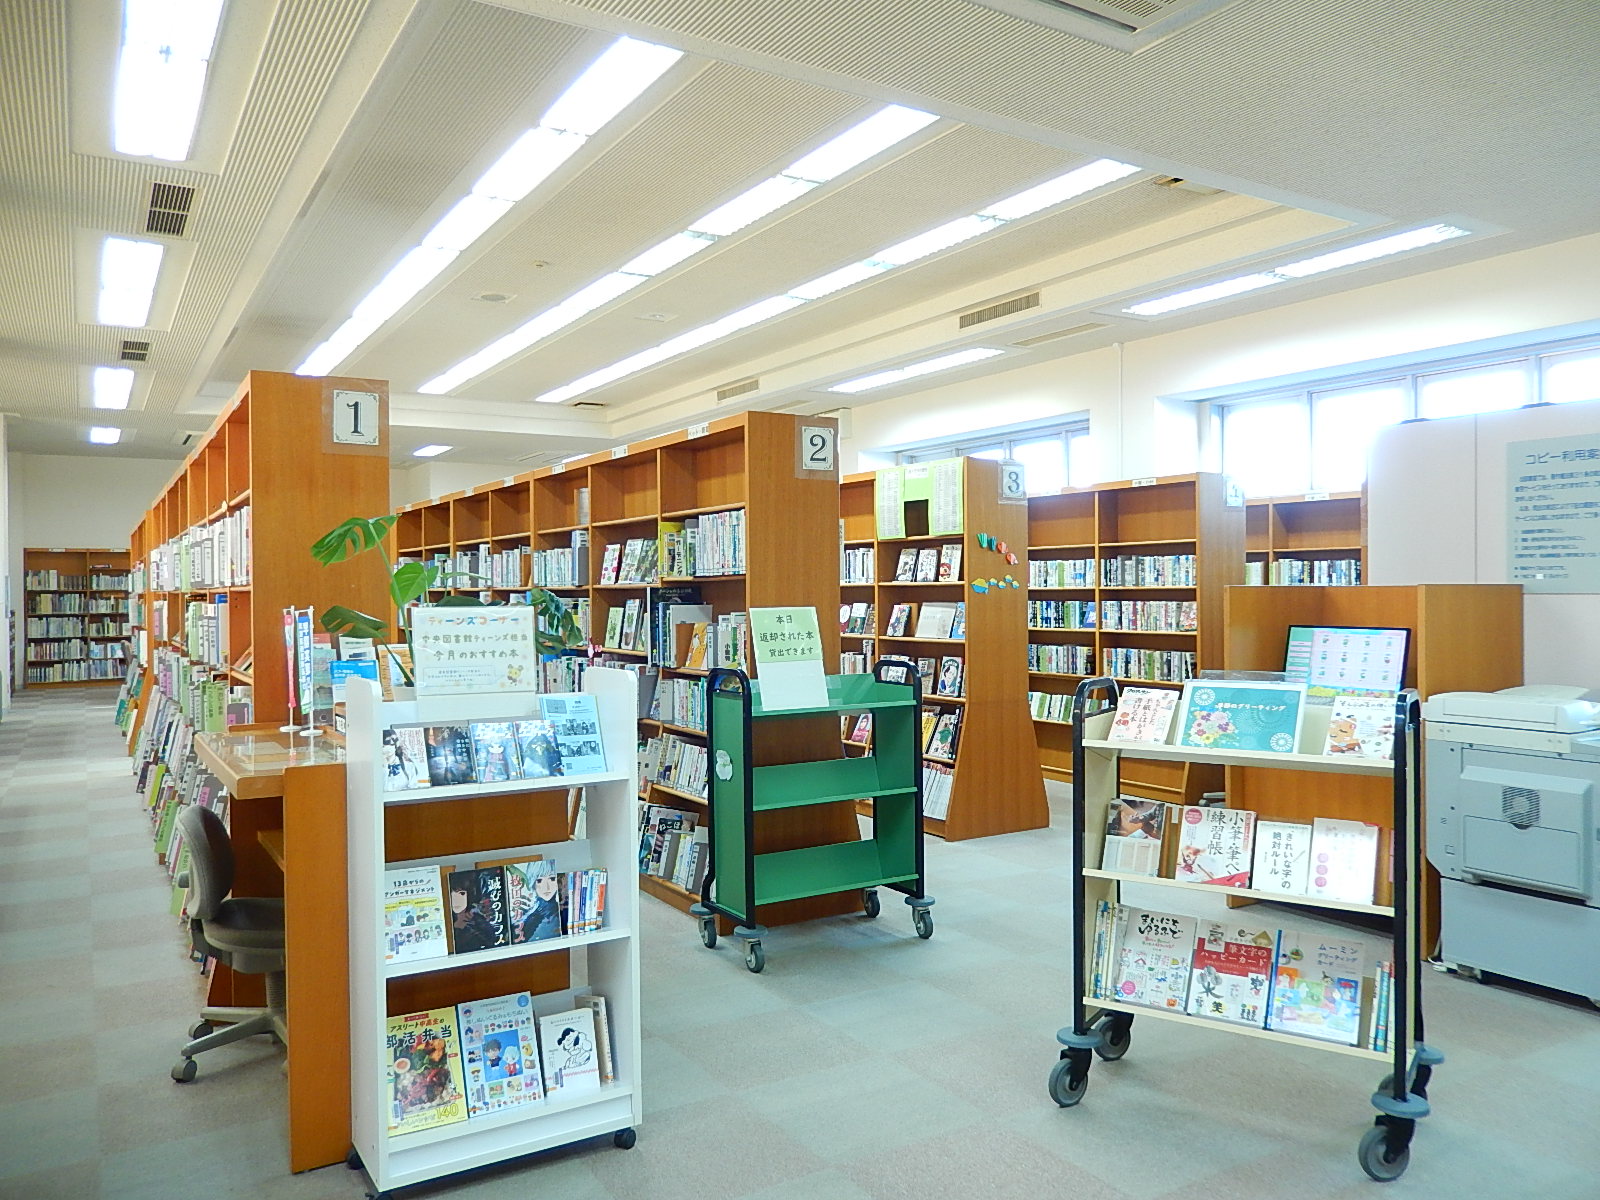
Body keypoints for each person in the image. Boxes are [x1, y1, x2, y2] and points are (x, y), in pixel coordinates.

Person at [519, 862, 562, 942]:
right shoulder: (530, 918)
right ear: (533, 883)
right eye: (539, 880)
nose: (547, 887)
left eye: (552, 879)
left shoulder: (560, 912)